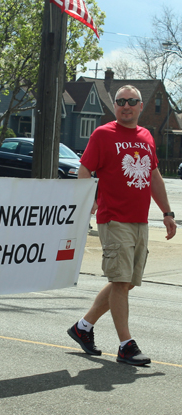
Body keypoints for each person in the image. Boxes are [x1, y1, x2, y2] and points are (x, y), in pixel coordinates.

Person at [67, 85, 176, 366]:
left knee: (125, 283)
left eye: (131, 101)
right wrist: (87, 200)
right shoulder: (103, 134)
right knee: (120, 280)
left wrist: (167, 212)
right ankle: (126, 345)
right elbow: (84, 169)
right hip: (113, 218)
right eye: (120, 101)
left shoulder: (146, 136)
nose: (125, 105)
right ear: (115, 105)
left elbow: (153, 177)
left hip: (140, 220)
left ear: (141, 106)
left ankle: (83, 327)